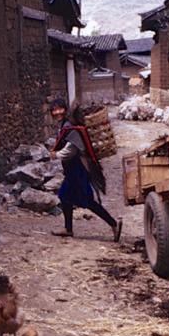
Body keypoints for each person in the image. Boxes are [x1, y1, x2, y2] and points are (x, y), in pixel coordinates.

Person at [48, 98, 122, 242]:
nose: (57, 112)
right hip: (72, 171)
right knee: (65, 196)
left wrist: (56, 154)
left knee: (86, 201)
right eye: (54, 110)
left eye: (59, 109)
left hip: (78, 170)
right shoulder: (64, 125)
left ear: (65, 109)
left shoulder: (69, 127)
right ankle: (68, 229)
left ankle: (113, 224)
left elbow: (72, 149)